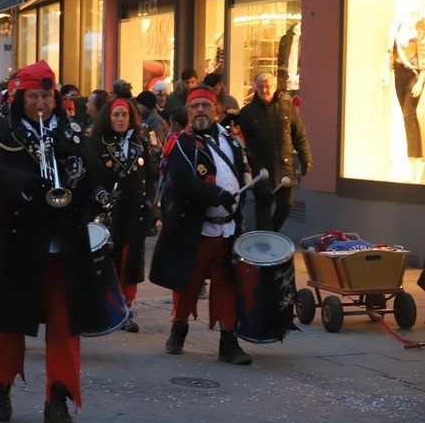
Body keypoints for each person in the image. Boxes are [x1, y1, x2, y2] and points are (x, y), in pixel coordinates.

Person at [0, 60, 107, 423]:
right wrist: (33, 184)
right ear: (20, 98)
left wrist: (83, 174)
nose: (40, 104)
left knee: (66, 327)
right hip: (17, 241)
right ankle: (0, 385)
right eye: (33, 97)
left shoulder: (70, 130)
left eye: (46, 96)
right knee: (8, 322)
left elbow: (92, 171)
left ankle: (59, 399)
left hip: (63, 245)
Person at [149, 86, 270, 365]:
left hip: (228, 230)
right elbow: (182, 180)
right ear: (188, 112)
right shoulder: (180, 143)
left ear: (216, 110)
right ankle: (179, 327)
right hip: (196, 229)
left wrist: (263, 190)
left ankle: (228, 342)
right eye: (195, 107)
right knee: (188, 284)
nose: (200, 110)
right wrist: (216, 195)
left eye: (206, 105)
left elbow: (247, 167)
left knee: (227, 285)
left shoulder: (233, 140)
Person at [84, 98, 157, 332]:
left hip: (134, 211)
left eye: (124, 115)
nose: (120, 119)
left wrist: (150, 203)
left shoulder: (139, 142)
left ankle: (126, 307)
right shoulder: (95, 142)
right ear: (108, 116)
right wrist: (100, 194)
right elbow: (89, 176)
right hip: (106, 212)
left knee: (130, 260)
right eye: (116, 115)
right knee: (106, 261)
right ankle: (105, 307)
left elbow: (151, 175)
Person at [236, 72, 312, 232]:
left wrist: (306, 159)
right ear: (255, 88)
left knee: (286, 205)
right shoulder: (248, 112)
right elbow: (243, 144)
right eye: (261, 87)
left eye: (268, 86)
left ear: (275, 86)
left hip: (285, 167)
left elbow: (299, 135)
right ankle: (264, 244)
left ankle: (271, 234)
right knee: (263, 208)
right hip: (260, 170)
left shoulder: (286, 107)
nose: (264, 90)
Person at [389, 10, 423, 181]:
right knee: (409, 117)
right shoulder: (397, 27)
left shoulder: (419, 29)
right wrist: (385, 74)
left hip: (414, 75)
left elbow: (424, 55)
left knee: (408, 114)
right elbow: (389, 52)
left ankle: (415, 164)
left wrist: (421, 80)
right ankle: (415, 162)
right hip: (398, 73)